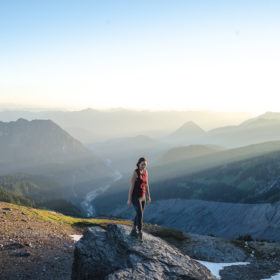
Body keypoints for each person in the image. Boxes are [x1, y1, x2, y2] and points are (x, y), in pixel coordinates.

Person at [127, 157, 151, 241]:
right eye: (142, 164)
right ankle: (140, 232)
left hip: (143, 196)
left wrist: (148, 196)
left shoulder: (146, 172)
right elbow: (131, 186)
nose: (144, 166)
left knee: (138, 214)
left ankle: (133, 229)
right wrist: (129, 199)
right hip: (135, 197)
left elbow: (147, 184)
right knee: (140, 214)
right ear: (138, 164)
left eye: (145, 165)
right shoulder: (135, 172)